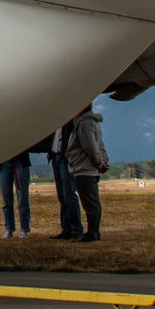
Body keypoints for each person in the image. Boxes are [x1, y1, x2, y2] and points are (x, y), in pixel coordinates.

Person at [61, 103, 110, 242]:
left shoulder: (84, 124)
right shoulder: (93, 123)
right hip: (90, 168)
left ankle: (93, 232)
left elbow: (91, 146)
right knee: (92, 201)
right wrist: (103, 160)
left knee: (90, 201)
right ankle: (93, 231)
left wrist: (98, 162)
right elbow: (100, 145)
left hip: (85, 168)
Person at [48, 118, 82, 238]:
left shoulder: (70, 120)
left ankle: (76, 229)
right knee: (62, 195)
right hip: (56, 156)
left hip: (65, 158)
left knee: (69, 193)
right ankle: (67, 229)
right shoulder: (56, 120)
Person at [0, 141, 36, 238]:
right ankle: (9, 229)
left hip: (20, 162)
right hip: (3, 164)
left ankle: (24, 229)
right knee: (6, 200)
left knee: (23, 199)